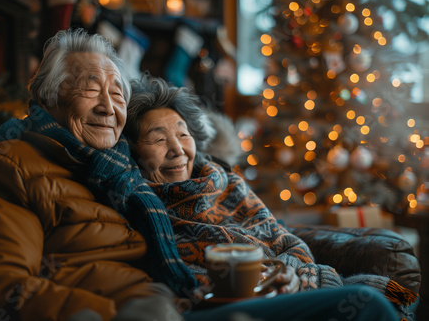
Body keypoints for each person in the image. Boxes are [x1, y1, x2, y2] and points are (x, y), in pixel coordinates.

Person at [0, 28, 401, 321]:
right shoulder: (9, 165)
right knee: (365, 307)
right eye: (91, 90)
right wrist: (125, 312)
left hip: (187, 302)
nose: (109, 107)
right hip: (144, 313)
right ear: (49, 99)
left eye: (117, 93)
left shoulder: (116, 169)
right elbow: (1, 289)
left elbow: (220, 225)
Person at [122, 74, 416, 320]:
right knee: (369, 303)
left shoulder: (229, 185)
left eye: (183, 135)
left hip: (287, 291)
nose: (177, 149)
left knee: (384, 301)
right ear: (133, 151)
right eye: (159, 139)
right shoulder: (144, 208)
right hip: (233, 307)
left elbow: (286, 241)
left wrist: (290, 274)